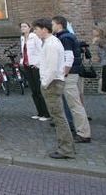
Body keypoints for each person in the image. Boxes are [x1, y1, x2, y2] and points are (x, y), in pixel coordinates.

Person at [34, 18, 75, 159]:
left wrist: (44, 83)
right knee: (58, 117)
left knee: (58, 117)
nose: (35, 32)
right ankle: (65, 147)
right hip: (53, 82)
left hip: (52, 84)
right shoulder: (50, 42)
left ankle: (66, 149)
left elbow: (52, 68)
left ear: (44, 29)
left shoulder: (51, 44)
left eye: (36, 29)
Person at [53, 16, 91, 143]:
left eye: (53, 24)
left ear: (59, 25)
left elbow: (68, 58)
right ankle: (81, 130)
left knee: (74, 105)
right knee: (74, 104)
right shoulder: (66, 37)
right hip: (72, 73)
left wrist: (64, 74)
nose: (51, 26)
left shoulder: (65, 38)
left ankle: (83, 133)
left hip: (69, 75)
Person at [20, 22, 50, 121]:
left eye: (25, 26)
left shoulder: (35, 37)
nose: (23, 28)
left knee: (39, 90)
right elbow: (24, 52)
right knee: (33, 91)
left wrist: (38, 64)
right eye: (21, 27)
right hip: (27, 66)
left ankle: (46, 114)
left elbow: (41, 50)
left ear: (29, 28)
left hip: (36, 66)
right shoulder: (22, 38)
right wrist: (22, 61)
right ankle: (39, 112)